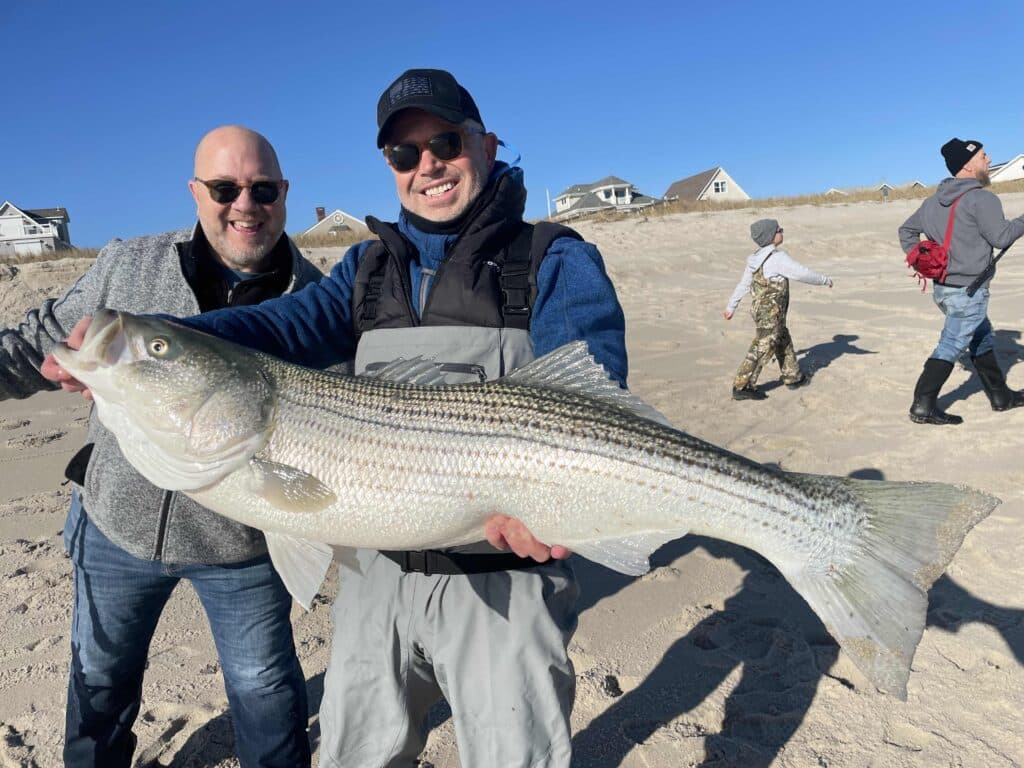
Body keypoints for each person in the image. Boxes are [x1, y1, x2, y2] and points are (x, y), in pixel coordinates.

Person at [44, 69, 627, 768]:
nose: (428, 165)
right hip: (374, 582)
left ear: (487, 143)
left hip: (503, 576)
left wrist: (555, 502)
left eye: (445, 141)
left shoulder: (553, 260)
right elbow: (271, 331)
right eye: (405, 154)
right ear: (389, 168)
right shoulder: (363, 270)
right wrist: (152, 340)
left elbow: (592, 403)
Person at [15, 125, 319, 767]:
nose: (245, 204)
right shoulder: (129, 265)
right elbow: (37, 336)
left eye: (263, 189)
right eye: (224, 187)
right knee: (99, 677)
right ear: (195, 191)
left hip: (244, 544)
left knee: (265, 689)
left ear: (285, 193)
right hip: (115, 528)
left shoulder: (318, 300)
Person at [899, 138, 1024, 425]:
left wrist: (919, 257)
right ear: (968, 165)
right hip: (969, 290)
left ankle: (1001, 396)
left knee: (980, 337)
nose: (989, 160)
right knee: (952, 344)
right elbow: (1001, 237)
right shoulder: (983, 198)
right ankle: (923, 404)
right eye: (983, 156)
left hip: (943, 290)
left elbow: (906, 231)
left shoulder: (932, 202)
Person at [723, 219, 833, 400]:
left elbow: (744, 284)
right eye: (778, 229)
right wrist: (824, 280)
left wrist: (731, 306)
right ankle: (741, 386)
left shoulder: (755, 259)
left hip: (763, 312)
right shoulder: (776, 258)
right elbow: (801, 272)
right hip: (771, 314)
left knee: (782, 339)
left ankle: (793, 377)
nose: (782, 231)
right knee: (762, 348)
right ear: (770, 236)